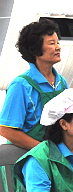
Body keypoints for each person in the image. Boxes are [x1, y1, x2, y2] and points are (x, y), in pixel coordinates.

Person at [0, 19, 68, 149]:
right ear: (35, 49)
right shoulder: (21, 85)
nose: (58, 47)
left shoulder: (62, 83)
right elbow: (5, 129)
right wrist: (43, 150)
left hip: (57, 155)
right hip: (28, 158)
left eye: (58, 42)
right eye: (52, 43)